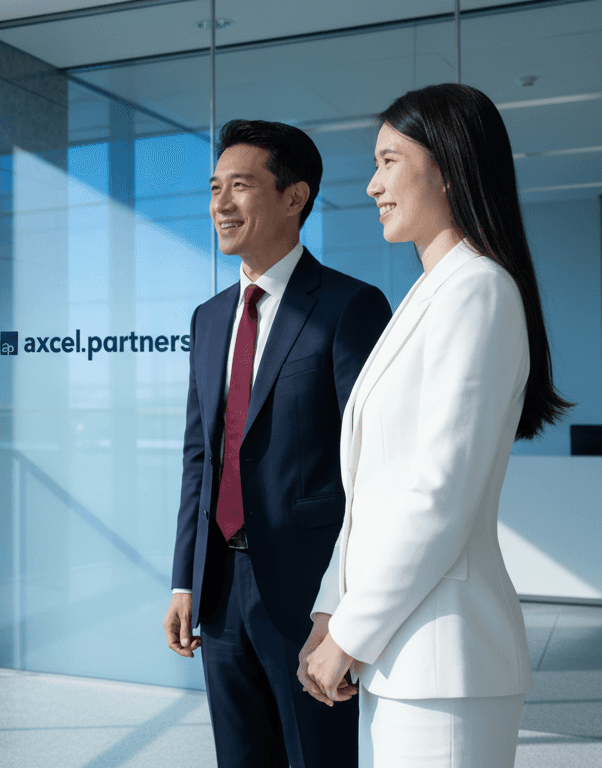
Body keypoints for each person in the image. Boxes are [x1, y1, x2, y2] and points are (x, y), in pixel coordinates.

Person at [299, 83, 571, 768]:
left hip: (445, 659)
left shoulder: (478, 290)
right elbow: (374, 496)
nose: (372, 185)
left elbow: (438, 496)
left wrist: (351, 632)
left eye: (389, 161)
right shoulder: (430, 293)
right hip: (406, 653)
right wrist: (331, 612)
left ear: (447, 167)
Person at [164, 119, 392, 767]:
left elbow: (373, 467)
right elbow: (200, 458)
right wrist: (184, 580)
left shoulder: (350, 307)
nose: (221, 204)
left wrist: (344, 604)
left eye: (240, 186)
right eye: (215, 188)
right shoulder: (210, 318)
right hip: (219, 588)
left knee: (317, 757)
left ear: (294, 197)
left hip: (307, 592)